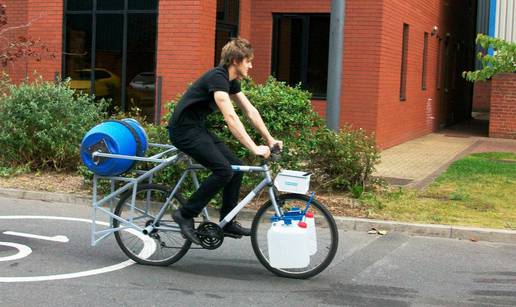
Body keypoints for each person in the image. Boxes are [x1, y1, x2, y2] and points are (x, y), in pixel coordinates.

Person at [168, 38, 283, 245]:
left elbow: (250, 111)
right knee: (224, 170)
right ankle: (185, 214)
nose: (251, 65)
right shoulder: (218, 78)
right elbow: (230, 117)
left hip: (197, 129)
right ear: (237, 60)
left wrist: (270, 138)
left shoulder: (231, 81)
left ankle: (227, 220)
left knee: (236, 167)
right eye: (248, 61)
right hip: (183, 131)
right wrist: (254, 148)